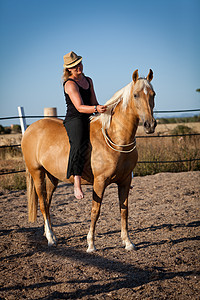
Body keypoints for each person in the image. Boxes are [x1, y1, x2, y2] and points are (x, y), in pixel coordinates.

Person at [62, 51, 107, 200]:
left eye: (79, 64)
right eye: (74, 66)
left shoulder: (89, 80)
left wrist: (102, 109)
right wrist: (95, 109)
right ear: (69, 69)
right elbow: (80, 107)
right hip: (75, 119)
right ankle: (76, 183)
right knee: (79, 143)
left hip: (89, 115)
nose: (78, 67)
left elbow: (94, 101)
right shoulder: (69, 84)